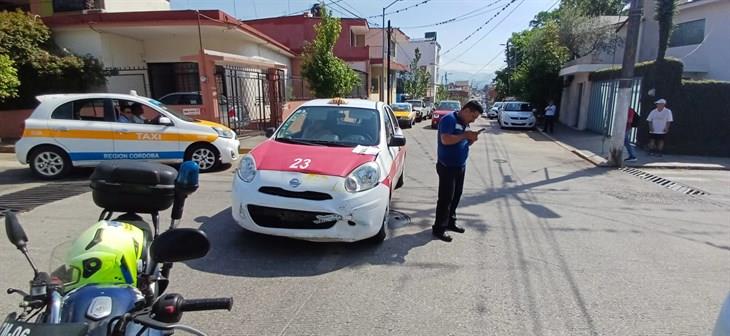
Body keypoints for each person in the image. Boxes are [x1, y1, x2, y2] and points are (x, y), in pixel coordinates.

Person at [433, 100, 483, 242]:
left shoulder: (464, 123)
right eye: (473, 117)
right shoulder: (449, 119)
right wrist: (465, 136)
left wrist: (471, 139)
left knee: (456, 196)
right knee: (445, 198)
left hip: (460, 165)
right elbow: (446, 140)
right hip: (447, 166)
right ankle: (438, 228)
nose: (473, 121)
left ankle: (450, 222)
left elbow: (463, 141)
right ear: (466, 110)